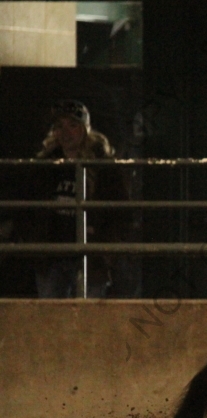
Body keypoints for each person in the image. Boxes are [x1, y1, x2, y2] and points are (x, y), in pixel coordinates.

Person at [28, 100, 128, 298]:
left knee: (86, 312)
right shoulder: (45, 165)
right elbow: (30, 208)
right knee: (51, 312)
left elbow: (120, 211)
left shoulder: (104, 167)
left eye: (72, 125)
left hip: (91, 257)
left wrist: (106, 252)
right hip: (53, 256)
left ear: (84, 129)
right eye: (59, 126)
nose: (65, 133)